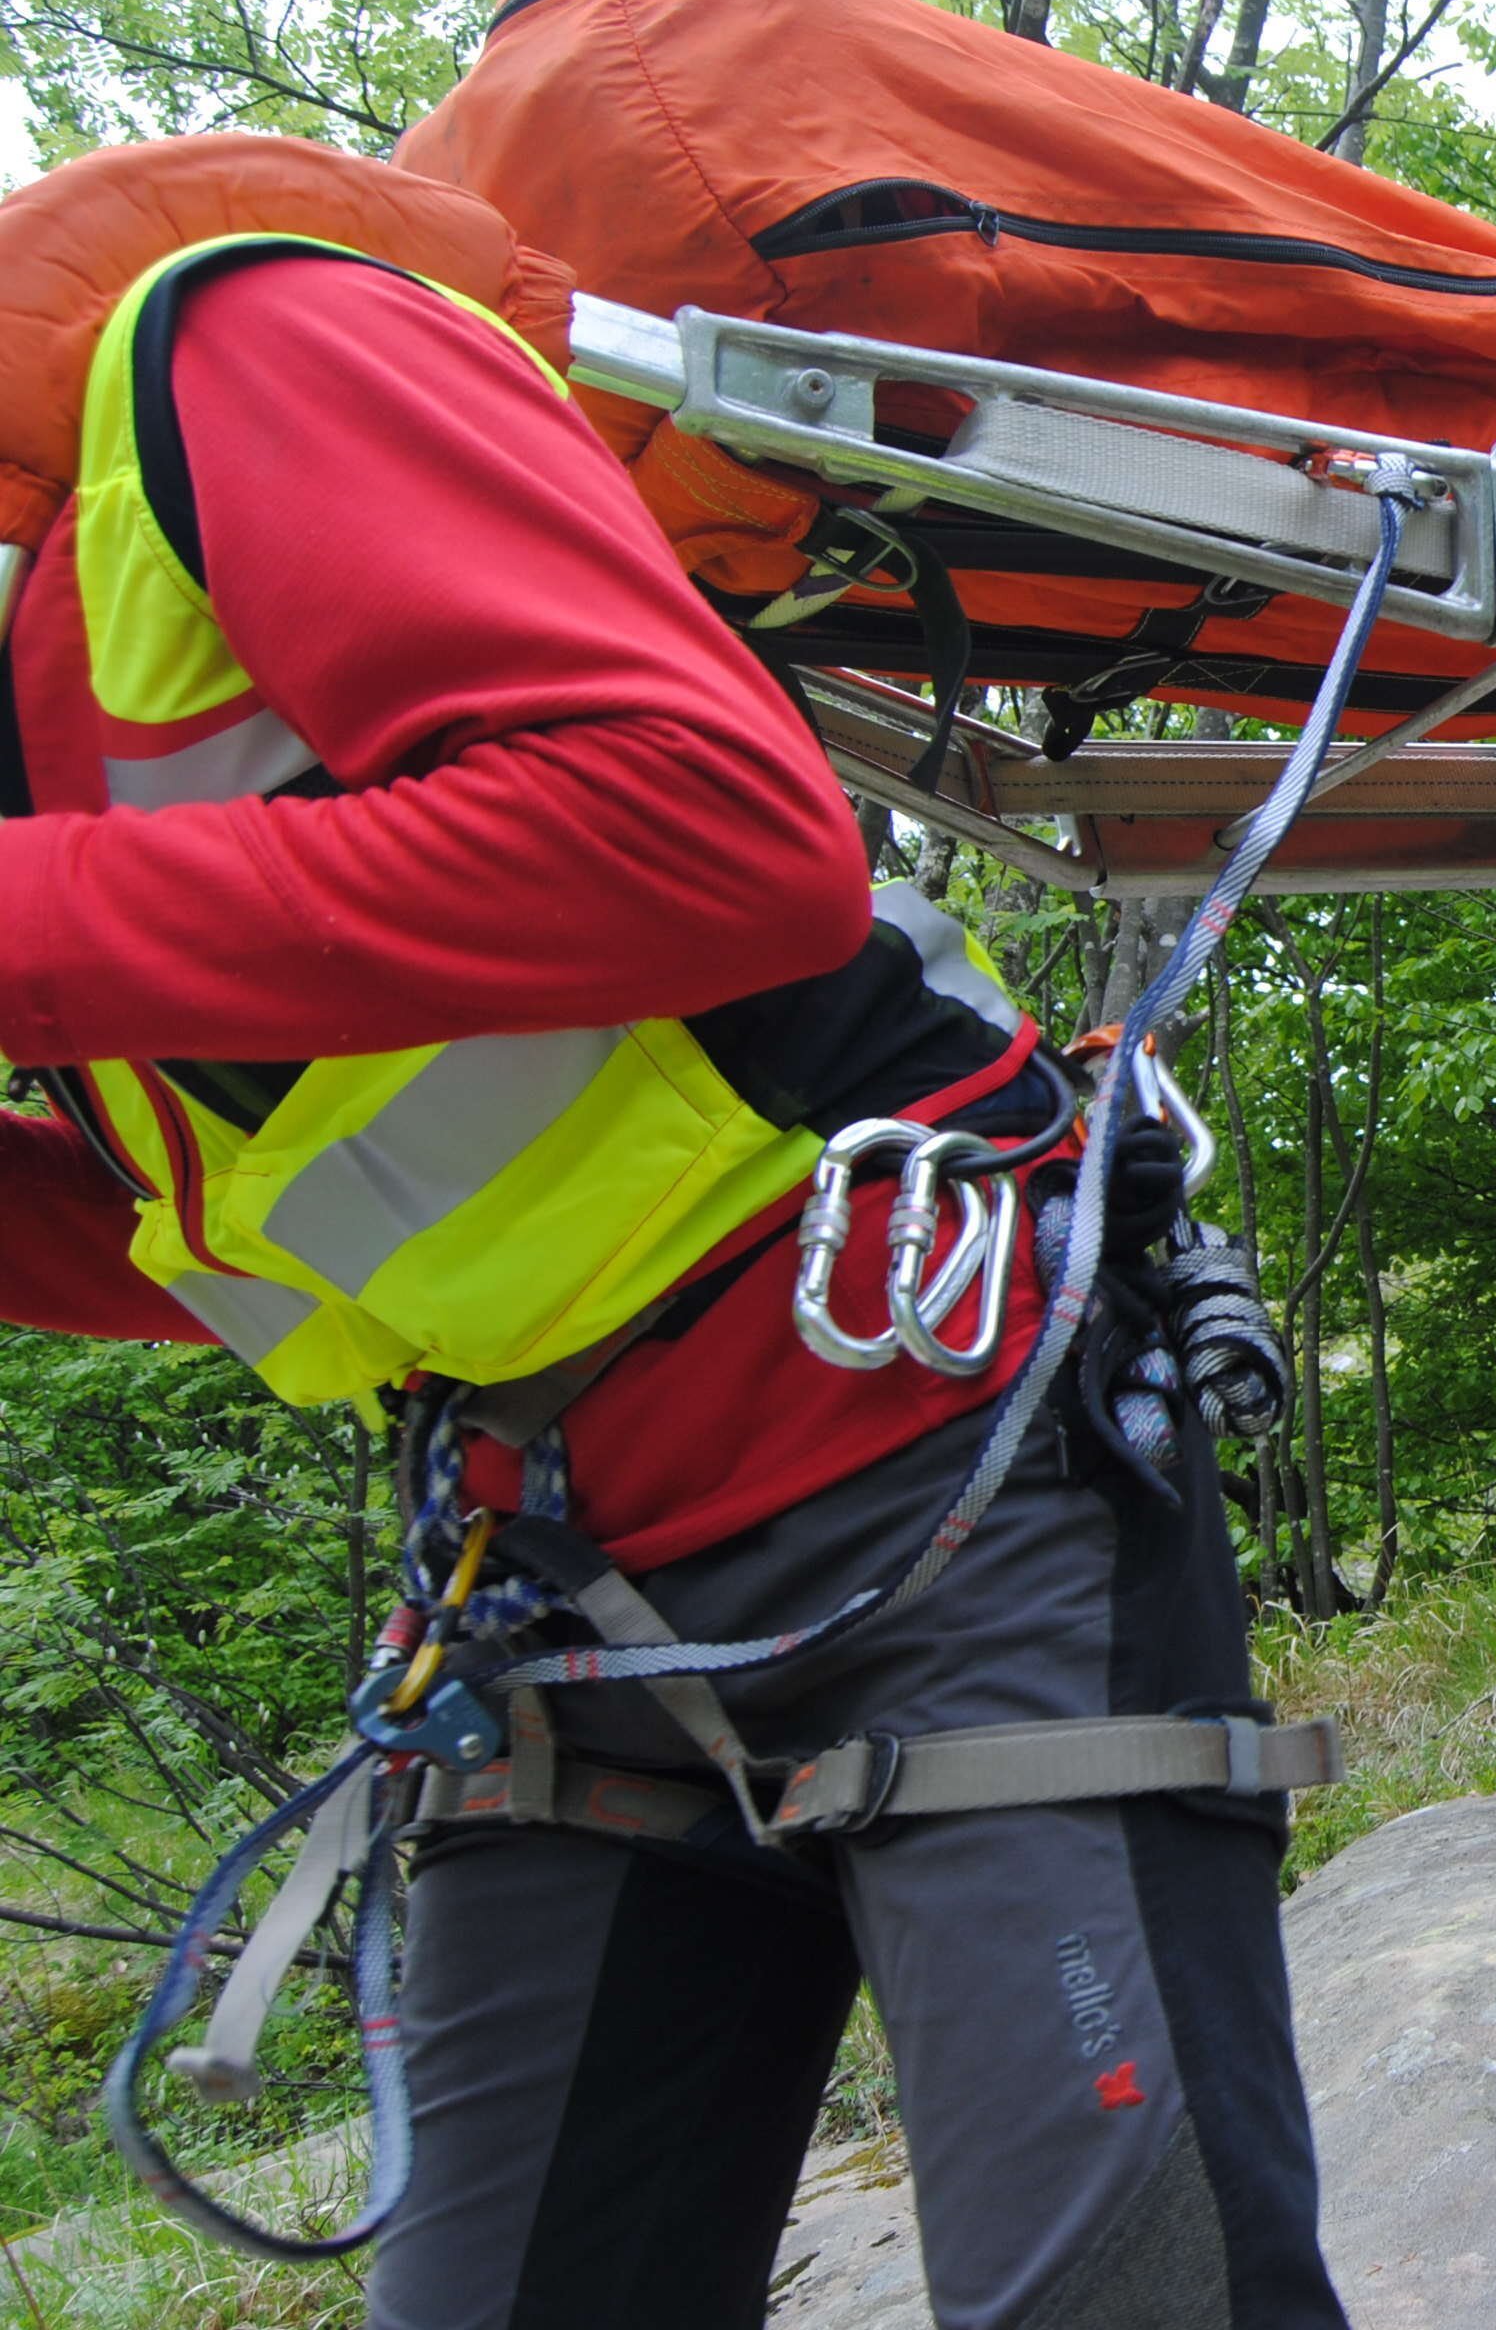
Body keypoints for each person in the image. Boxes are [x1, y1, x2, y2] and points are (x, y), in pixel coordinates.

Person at [0, 151, 1349, 2327]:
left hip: (946, 1462)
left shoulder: (235, 344)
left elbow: (716, 840)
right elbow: (318, 1217)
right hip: (564, 1601)